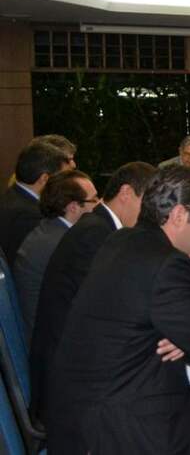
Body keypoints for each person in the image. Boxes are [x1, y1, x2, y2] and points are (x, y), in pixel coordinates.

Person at [46, 165, 190, 455]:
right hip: (118, 430)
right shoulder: (165, 261)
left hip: (80, 415)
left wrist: (183, 335)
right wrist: (186, 336)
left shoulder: (123, 240)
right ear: (180, 214)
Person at [30, 161, 157, 421]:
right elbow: (117, 312)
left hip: (75, 363)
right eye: (149, 202)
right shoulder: (96, 235)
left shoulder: (98, 226)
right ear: (126, 193)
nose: (152, 213)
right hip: (73, 389)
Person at [14, 169, 98, 345]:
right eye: (94, 199)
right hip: (51, 342)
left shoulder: (49, 230)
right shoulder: (63, 243)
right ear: (73, 207)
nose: (98, 205)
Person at [0, 141, 70, 264]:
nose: (66, 184)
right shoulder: (31, 216)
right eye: (62, 178)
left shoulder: (10, 196)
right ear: (44, 179)